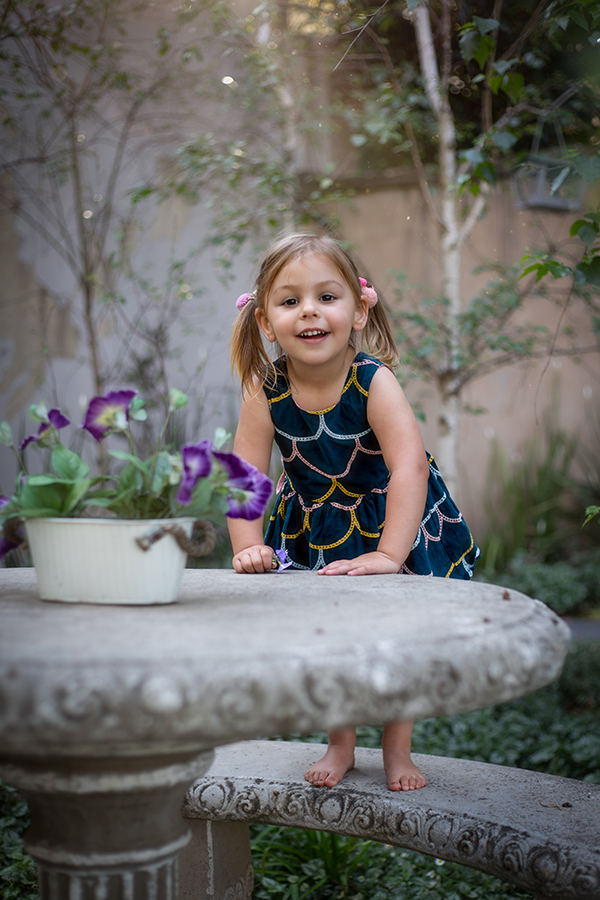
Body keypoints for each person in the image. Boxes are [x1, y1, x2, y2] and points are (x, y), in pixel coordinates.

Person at [228, 233, 479, 792]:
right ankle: (340, 744)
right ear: (267, 322)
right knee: (330, 638)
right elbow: (244, 474)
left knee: (396, 639)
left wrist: (391, 554)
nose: (309, 310)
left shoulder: (373, 381)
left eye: (327, 296)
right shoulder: (265, 390)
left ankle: (397, 749)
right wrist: (246, 542)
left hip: (395, 518)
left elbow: (409, 467)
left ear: (359, 309)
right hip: (317, 523)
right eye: (290, 301)